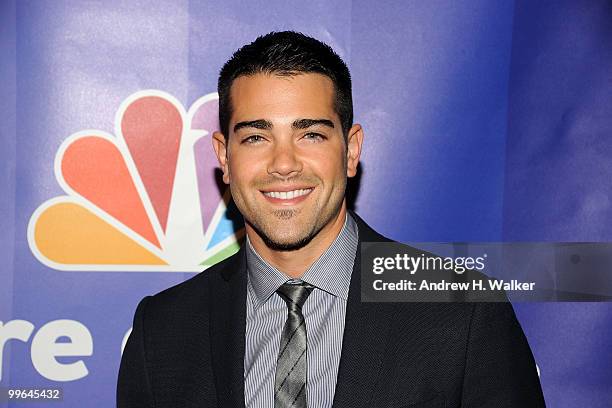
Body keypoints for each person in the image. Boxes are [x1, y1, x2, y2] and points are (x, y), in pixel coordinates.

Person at [117, 31, 546, 407]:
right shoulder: (163, 330)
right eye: (255, 137)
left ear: (351, 149)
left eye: (311, 134)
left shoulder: (462, 314)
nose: (283, 163)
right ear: (224, 157)